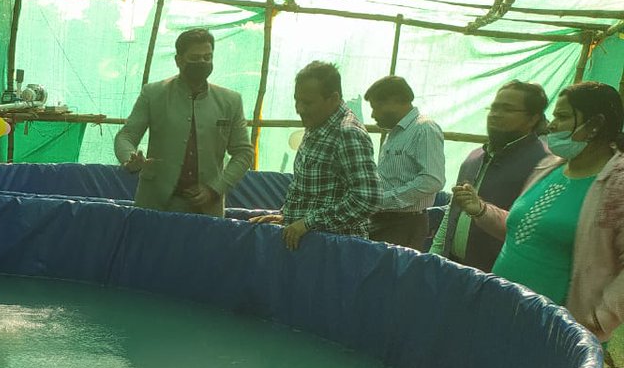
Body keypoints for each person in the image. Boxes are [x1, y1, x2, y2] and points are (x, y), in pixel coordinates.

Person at [451, 81, 624, 368]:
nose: (553, 125)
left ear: (597, 124)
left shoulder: (617, 184)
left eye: (564, 118)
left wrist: (597, 321)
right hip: (508, 315)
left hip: (558, 331)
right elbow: (524, 230)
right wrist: (480, 211)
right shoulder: (550, 168)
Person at [114, 28, 253, 216]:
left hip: (207, 209)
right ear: (179, 61)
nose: (202, 62)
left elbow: (244, 153)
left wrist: (215, 188)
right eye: (195, 58)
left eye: (207, 57)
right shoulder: (153, 93)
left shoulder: (230, 100)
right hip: (155, 204)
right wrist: (129, 158)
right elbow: (127, 135)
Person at [249, 61, 379, 250]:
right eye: (297, 100)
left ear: (333, 99)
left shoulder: (347, 133)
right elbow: (316, 190)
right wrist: (288, 216)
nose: (299, 108)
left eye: (307, 102)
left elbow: (367, 198)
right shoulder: (317, 123)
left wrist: (308, 222)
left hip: (335, 249)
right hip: (309, 246)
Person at [430, 81, 549, 271]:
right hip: (454, 269)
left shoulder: (544, 165)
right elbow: (453, 213)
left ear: (533, 118)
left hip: (501, 279)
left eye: (507, 109)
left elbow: (536, 232)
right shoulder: (475, 157)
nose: (495, 114)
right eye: (493, 107)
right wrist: (435, 255)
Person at [364, 75, 446, 249]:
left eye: (376, 107)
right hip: (385, 219)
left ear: (395, 101)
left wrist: (383, 200)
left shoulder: (424, 129)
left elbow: (432, 180)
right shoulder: (395, 133)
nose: (372, 114)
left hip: (405, 224)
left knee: (391, 273)